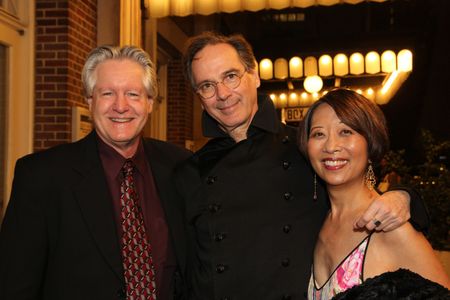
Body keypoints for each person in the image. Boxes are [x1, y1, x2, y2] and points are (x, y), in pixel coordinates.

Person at [174, 31, 428, 299]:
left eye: (230, 76)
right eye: (207, 86)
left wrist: (404, 197)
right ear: (198, 96)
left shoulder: (307, 148)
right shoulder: (188, 172)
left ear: (255, 75)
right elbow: (183, 267)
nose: (222, 94)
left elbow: (359, 192)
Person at [0, 45, 191, 300]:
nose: (120, 106)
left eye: (133, 94)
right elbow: (14, 287)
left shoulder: (181, 166)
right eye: (108, 93)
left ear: (149, 103)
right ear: (90, 101)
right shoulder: (41, 176)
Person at [297, 89, 449, 299]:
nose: (331, 146)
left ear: (371, 143)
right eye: (318, 134)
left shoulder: (390, 227)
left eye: (346, 132)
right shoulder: (315, 221)